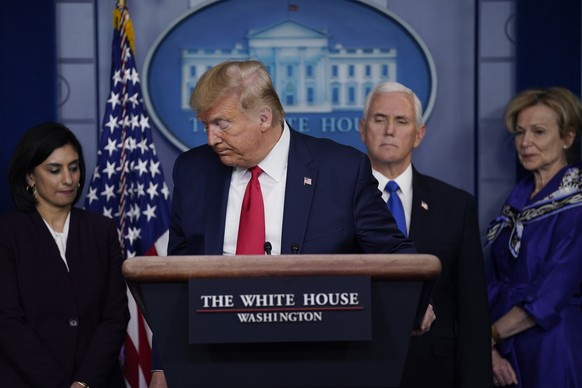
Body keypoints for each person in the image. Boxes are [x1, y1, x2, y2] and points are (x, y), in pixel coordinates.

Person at [149, 60, 430, 387]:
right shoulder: (192, 170)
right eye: (205, 125)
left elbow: (394, 252)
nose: (211, 138)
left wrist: (419, 301)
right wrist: (162, 363)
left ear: (264, 118)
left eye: (222, 124)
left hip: (315, 363)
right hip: (213, 360)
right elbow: (175, 278)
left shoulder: (341, 169)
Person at [359, 81, 493, 387]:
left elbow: (472, 311)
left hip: (434, 371)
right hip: (359, 366)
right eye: (380, 119)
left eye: (401, 121)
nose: (389, 130)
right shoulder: (336, 201)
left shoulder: (455, 205)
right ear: (363, 128)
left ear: (419, 134)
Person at [0, 122, 130, 387]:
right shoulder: (7, 234)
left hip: (97, 381)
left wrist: (83, 382)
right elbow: (8, 322)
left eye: (74, 167)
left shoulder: (102, 231)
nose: (68, 179)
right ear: (29, 176)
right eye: (54, 170)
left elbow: (114, 316)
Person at [485, 87, 582, 387]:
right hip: (502, 346)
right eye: (520, 132)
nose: (525, 143)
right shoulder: (515, 201)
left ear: (567, 138)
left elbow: (550, 296)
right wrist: (489, 351)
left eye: (539, 132)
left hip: (551, 345)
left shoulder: (577, 205)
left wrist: (484, 338)